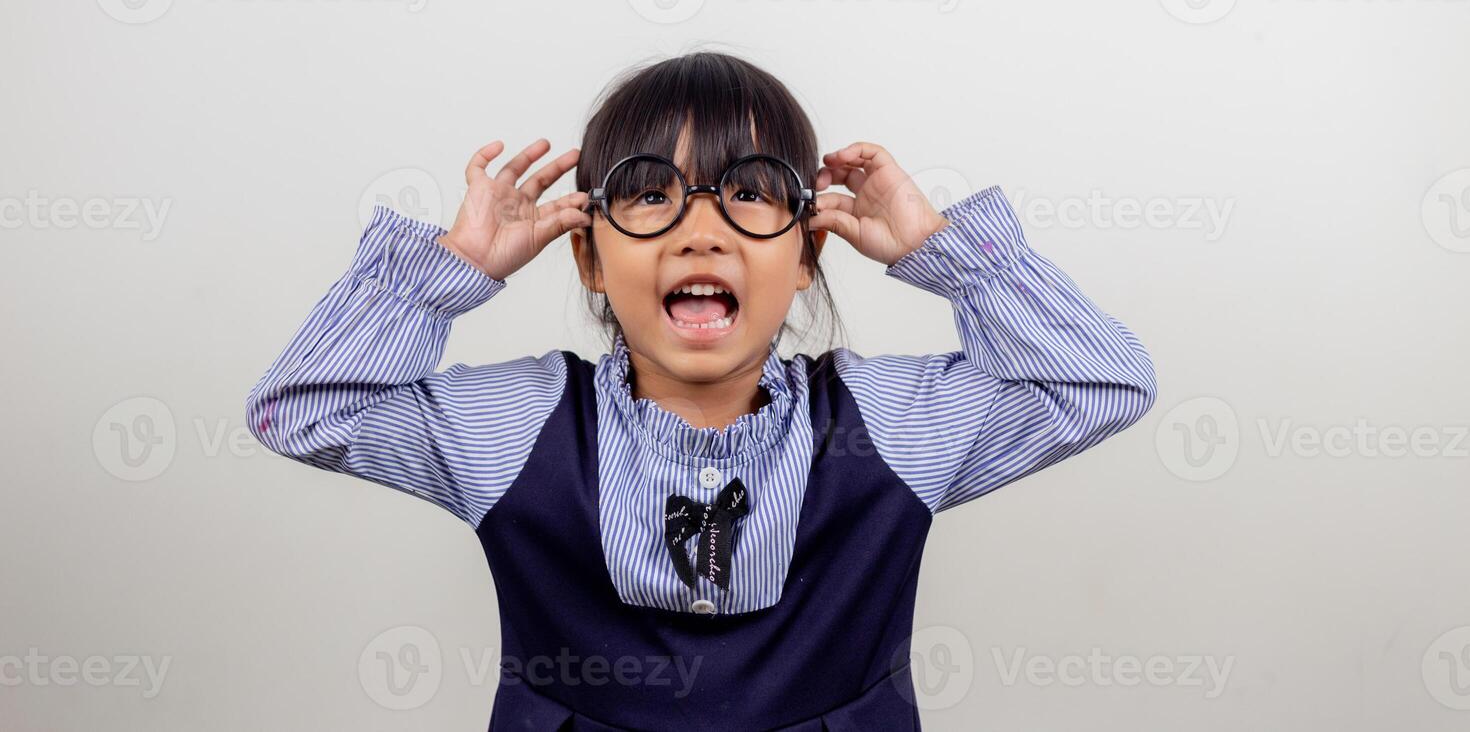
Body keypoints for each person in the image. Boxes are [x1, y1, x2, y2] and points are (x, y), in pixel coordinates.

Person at [245, 51, 1158, 730]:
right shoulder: (518, 428)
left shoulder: (891, 425)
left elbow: (1099, 383)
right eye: (650, 196)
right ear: (588, 256)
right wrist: (448, 271)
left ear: (806, 253)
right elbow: (306, 410)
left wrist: (950, 256)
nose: (701, 231)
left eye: (751, 193)